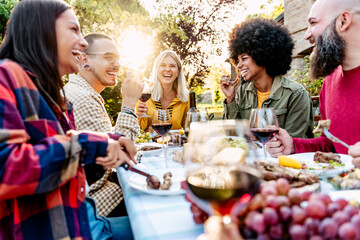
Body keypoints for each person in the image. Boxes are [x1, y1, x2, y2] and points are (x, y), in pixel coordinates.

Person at [0, 0, 134, 239]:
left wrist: (103, 151)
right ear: (42, 30)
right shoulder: (5, 77)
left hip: (77, 224)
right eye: (74, 30)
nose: (83, 42)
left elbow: (66, 174)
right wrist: (87, 144)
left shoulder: (56, 99)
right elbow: (6, 169)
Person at [267, 0, 360, 160]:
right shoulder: (329, 82)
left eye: (313, 23)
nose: (307, 34)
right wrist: (294, 145)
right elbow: (331, 144)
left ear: (343, 21)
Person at [64, 33, 143, 217]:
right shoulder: (83, 98)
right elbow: (120, 156)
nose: (117, 65)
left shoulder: (80, 92)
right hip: (101, 206)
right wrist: (129, 103)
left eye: (118, 59)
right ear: (84, 60)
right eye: (108, 57)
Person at [221, 18, 314, 139]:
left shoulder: (296, 94)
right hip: (253, 157)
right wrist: (230, 99)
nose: (238, 65)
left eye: (244, 59)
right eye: (237, 61)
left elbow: (294, 142)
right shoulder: (242, 92)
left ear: (262, 55)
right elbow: (232, 136)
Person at [136, 50, 189, 131]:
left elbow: (189, 129)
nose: (167, 69)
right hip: (148, 143)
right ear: (156, 69)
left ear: (178, 71)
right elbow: (137, 130)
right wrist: (139, 116)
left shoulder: (185, 98)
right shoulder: (144, 94)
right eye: (162, 65)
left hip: (173, 143)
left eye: (172, 66)